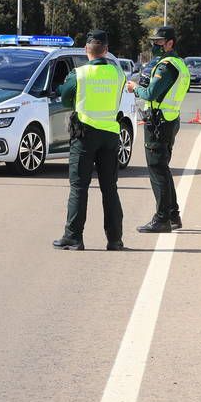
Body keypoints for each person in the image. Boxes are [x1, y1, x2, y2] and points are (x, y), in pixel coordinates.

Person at [53, 30, 126, 251]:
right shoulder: (119, 74)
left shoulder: (79, 74)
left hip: (85, 135)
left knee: (79, 187)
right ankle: (115, 240)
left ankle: (73, 237)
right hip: (111, 135)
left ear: (86, 50)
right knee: (109, 188)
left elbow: (65, 98)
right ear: (106, 50)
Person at [126, 25, 190, 234]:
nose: (154, 45)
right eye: (153, 42)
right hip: (169, 120)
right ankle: (172, 215)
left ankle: (162, 218)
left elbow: (151, 93)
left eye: (159, 42)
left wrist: (135, 87)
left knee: (157, 170)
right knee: (163, 168)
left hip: (159, 123)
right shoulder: (179, 63)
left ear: (170, 42)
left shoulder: (167, 66)